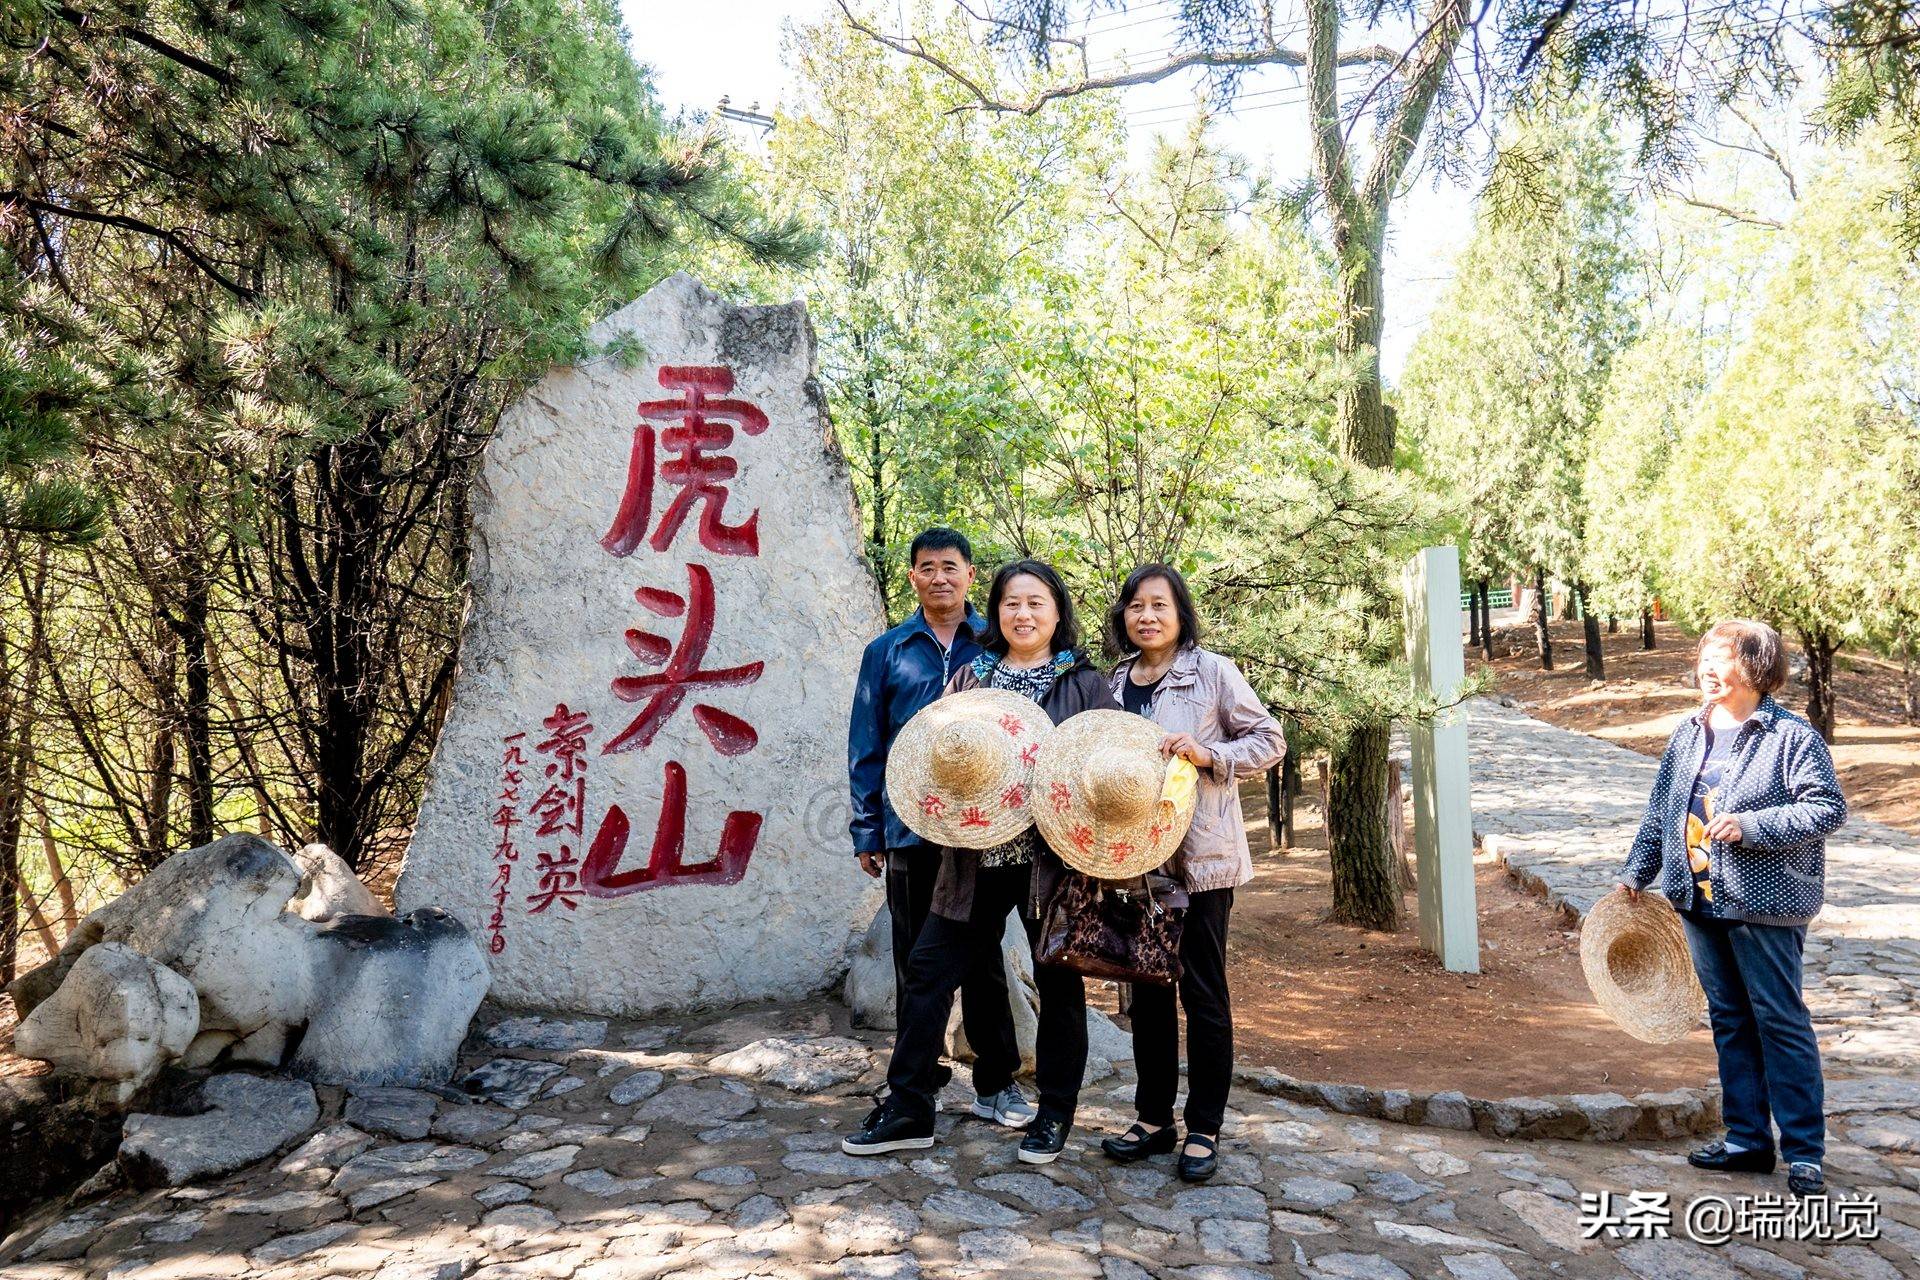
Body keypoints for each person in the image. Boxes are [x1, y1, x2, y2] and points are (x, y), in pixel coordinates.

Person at [844, 559, 1121, 1164]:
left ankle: (1053, 1114)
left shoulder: (1085, 683)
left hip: (1051, 861)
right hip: (972, 855)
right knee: (928, 970)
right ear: (995, 611)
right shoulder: (971, 678)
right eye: (1011, 603)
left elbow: (1106, 766)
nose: (1022, 614)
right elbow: (937, 760)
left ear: (1057, 612)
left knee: (1058, 980)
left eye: (1036, 603)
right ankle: (910, 1106)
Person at [1617, 619, 1846, 1197]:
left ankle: (1804, 1153)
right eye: (1704, 658)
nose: (1707, 669)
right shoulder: (1688, 731)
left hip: (1764, 906)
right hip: (1697, 899)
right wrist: (1637, 872)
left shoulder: (1791, 736)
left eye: (1721, 659)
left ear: (1757, 669)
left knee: (1780, 1021)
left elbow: (1826, 808)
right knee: (1730, 1020)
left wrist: (1752, 826)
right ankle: (1746, 1139)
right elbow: (1662, 809)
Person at [1096, 564, 1283, 1182]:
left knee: (1203, 993)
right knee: (1147, 990)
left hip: (1201, 860)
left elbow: (1270, 740)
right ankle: (1154, 1119)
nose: (1146, 616)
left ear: (1180, 614)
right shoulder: (1116, 684)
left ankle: (1204, 1126)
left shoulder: (1214, 672)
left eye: (1159, 605)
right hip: (1134, 862)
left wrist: (1210, 755)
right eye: (1135, 606)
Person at [847, 528, 1026, 1125]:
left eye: (951, 566)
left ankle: (996, 1081)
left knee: (983, 958)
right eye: (928, 567)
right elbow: (866, 745)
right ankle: (916, 1082)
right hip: (908, 830)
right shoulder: (888, 651)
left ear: (971, 576)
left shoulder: (995, 646)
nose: (940, 577)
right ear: (913, 577)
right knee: (913, 961)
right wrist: (868, 829)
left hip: (983, 830)